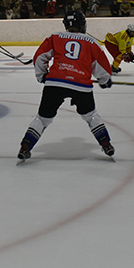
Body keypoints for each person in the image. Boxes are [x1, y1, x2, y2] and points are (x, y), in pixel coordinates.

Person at [16, 11, 114, 161]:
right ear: (82, 24)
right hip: (81, 85)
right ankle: (106, 144)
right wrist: (104, 79)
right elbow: (101, 65)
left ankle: (25, 147)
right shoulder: (91, 42)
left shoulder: (55, 37)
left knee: (42, 118)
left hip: (55, 83)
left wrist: (41, 74)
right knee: (91, 115)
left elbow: (40, 56)